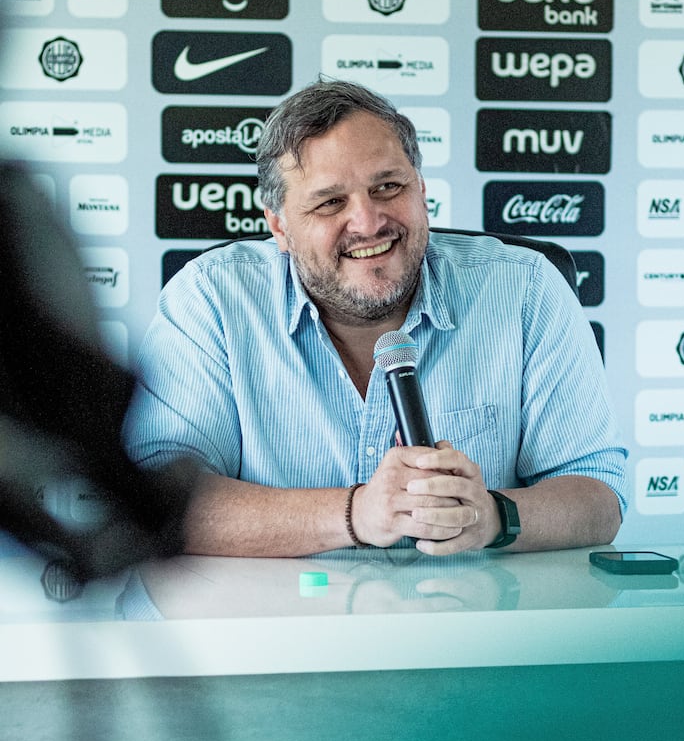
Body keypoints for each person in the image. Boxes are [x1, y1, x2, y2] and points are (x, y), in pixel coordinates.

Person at [124, 78, 627, 557]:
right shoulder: (211, 297)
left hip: (476, 630)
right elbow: (158, 497)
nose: (367, 222)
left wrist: (492, 517)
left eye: (388, 187)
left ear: (421, 189)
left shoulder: (525, 288)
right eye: (330, 202)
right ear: (279, 226)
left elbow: (599, 497)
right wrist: (357, 514)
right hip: (277, 634)